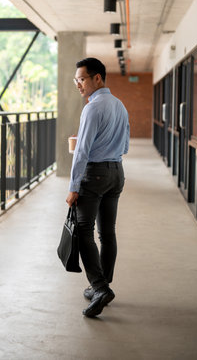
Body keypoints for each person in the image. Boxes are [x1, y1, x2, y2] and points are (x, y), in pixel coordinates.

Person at [66, 57, 129, 318]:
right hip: (117, 172)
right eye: (76, 80)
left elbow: (81, 151)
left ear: (97, 78)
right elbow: (125, 145)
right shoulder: (119, 105)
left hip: (95, 174)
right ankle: (103, 284)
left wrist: (73, 186)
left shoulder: (92, 108)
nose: (78, 84)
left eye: (81, 79)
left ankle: (100, 287)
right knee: (107, 232)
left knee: (83, 230)